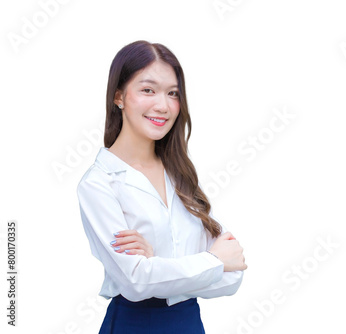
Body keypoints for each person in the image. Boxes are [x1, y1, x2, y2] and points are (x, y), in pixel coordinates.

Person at [76, 40, 247, 334]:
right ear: (119, 96)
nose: (163, 105)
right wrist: (210, 262)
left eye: (173, 93)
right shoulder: (99, 184)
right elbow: (137, 282)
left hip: (189, 324)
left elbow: (233, 273)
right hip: (136, 325)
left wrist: (159, 264)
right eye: (148, 90)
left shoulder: (180, 174)